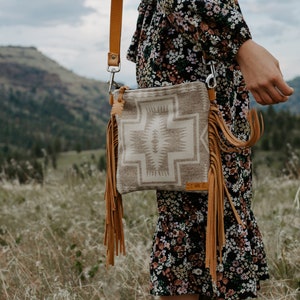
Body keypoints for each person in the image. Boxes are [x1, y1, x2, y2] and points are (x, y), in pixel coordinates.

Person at [126, 1, 294, 299]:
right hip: (196, 62)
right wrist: (242, 46)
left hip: (188, 54)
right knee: (208, 213)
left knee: (192, 219)